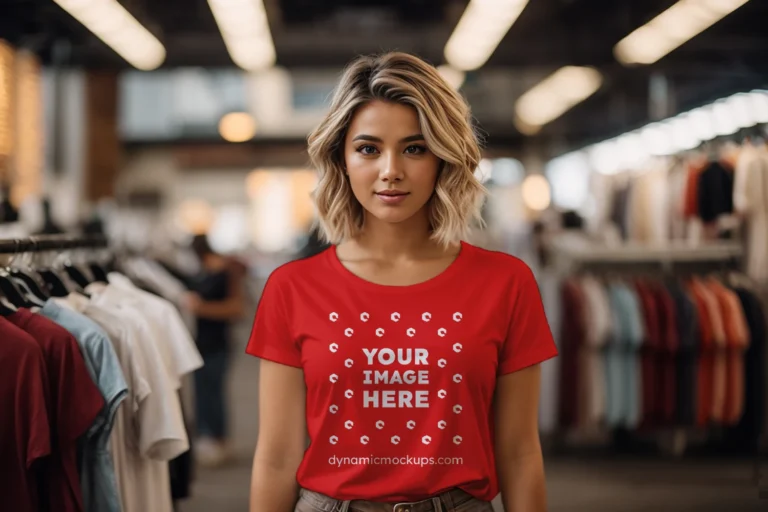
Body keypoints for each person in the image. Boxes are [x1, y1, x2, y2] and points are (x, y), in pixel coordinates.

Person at [245, 52, 558, 512]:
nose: (391, 169)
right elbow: (276, 459)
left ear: (443, 158)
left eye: (414, 148)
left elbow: (520, 452)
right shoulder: (292, 288)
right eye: (368, 149)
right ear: (342, 159)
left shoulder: (506, 283)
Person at [184, 234, 246, 467]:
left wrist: (201, 308)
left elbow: (237, 309)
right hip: (200, 343)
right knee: (202, 392)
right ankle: (208, 437)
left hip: (218, 343)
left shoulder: (226, 272)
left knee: (214, 392)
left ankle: (219, 440)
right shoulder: (204, 273)